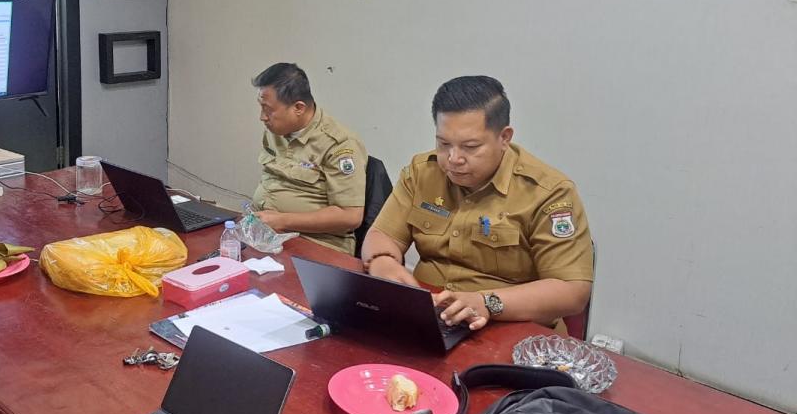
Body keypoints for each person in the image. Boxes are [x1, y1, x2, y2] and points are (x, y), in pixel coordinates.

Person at [361, 76, 593, 333]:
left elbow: (572, 290)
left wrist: (488, 303)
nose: (453, 158)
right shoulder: (422, 172)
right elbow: (382, 234)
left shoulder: (548, 193)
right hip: (431, 317)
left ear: (504, 137)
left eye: (470, 147)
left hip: (509, 327)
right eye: (444, 144)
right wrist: (382, 261)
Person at [251, 63, 367, 254]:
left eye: (268, 109)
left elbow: (350, 216)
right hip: (267, 235)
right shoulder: (276, 130)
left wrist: (282, 220)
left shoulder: (339, 145)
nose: (262, 117)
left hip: (315, 244)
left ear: (298, 108)